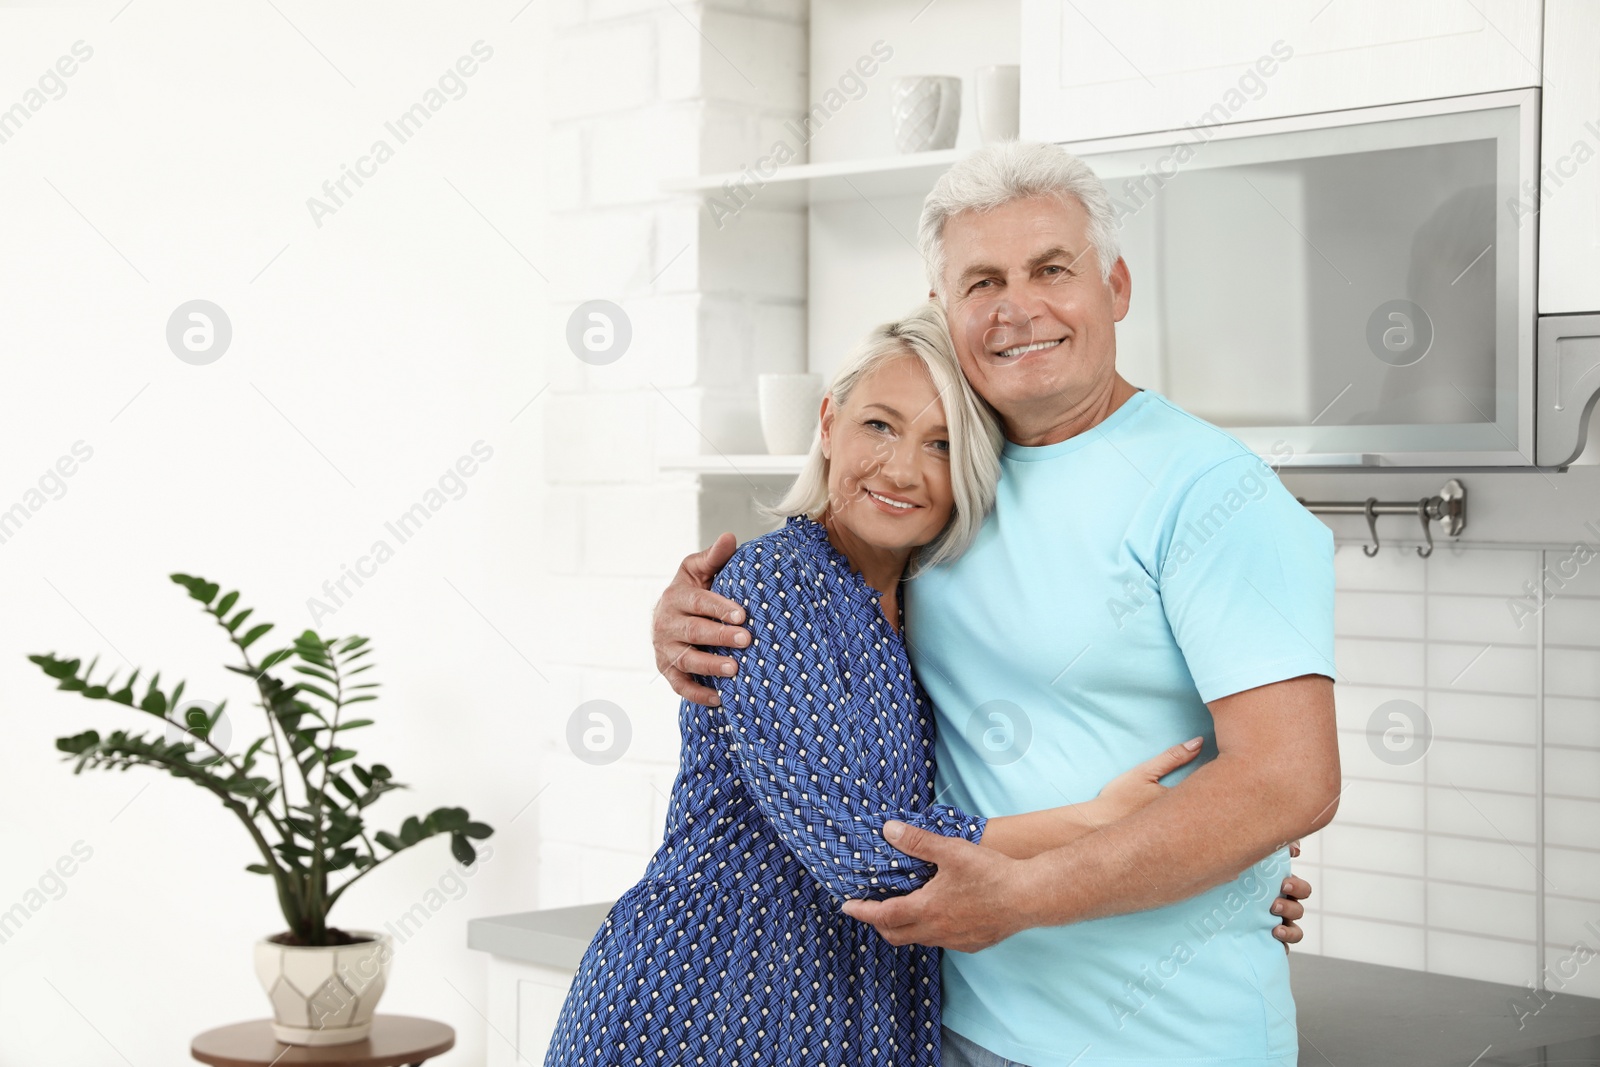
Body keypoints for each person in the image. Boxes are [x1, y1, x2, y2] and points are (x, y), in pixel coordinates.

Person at [652, 141, 1339, 1067]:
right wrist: (688, 616)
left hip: (1161, 1039)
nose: (1019, 307)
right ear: (946, 311)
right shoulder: (944, 490)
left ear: (1117, 286)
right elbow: (832, 639)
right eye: (984, 281)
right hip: (944, 1025)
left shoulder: (1214, 494)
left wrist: (1031, 892)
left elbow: (1288, 782)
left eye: (1053, 268)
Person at [544, 302, 1280, 1067]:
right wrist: (1103, 822)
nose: (902, 468)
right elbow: (866, 852)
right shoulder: (773, 585)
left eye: (941, 443)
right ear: (828, 423)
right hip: (698, 1010)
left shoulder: (931, 599)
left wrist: (1226, 861)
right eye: (879, 426)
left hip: (851, 1020)